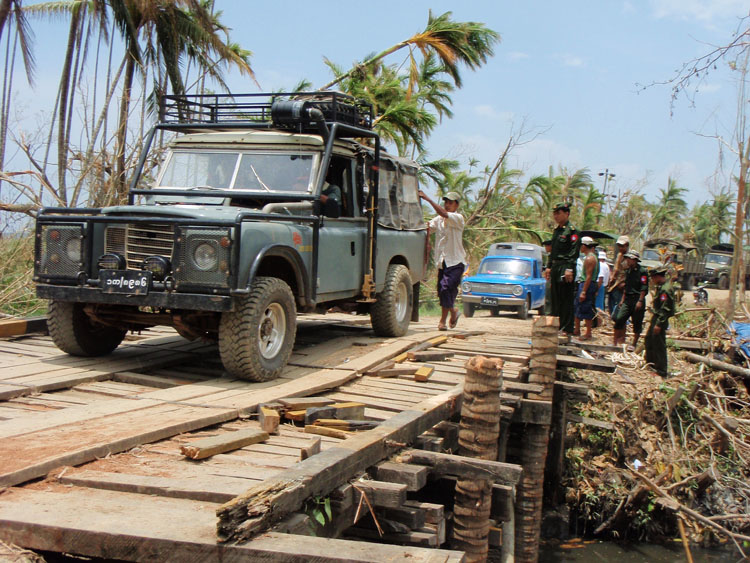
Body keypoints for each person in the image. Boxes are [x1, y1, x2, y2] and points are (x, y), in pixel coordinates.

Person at [419, 190, 466, 331]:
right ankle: (445, 320)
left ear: (456, 205)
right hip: (442, 262)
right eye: (446, 202)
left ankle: (450, 314)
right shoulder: (438, 220)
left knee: (446, 288)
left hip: (456, 262)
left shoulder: (458, 218)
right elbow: (427, 227)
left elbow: (444, 214)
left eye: (450, 203)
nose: (447, 205)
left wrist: (428, 198)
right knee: (443, 292)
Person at [547, 202, 580, 334]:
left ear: (566, 213)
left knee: (565, 298)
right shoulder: (557, 231)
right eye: (554, 213)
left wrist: (570, 268)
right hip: (555, 266)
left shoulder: (572, 231)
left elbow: (574, 251)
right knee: (555, 298)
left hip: (566, 266)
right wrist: (549, 267)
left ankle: (566, 328)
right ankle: (556, 326)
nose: (556, 216)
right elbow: (553, 251)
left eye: (558, 213)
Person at [613, 250, 648, 349]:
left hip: (637, 299)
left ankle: (634, 344)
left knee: (637, 322)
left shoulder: (642, 272)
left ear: (634, 260)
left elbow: (644, 287)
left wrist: (640, 301)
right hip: (628, 299)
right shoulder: (628, 271)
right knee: (619, 318)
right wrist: (622, 300)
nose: (627, 261)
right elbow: (627, 286)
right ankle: (615, 342)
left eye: (629, 259)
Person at [645, 266, 676, 377]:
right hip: (657, 317)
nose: (652, 280)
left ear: (657, 276)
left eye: (653, 277)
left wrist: (659, 324)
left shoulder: (665, 289)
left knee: (659, 344)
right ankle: (651, 364)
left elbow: (665, 309)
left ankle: (661, 370)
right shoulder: (661, 287)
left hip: (660, 319)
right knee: (649, 340)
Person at [574, 236, 600, 340]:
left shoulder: (590, 258)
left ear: (584, 246)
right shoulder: (590, 257)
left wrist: (584, 291)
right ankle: (577, 330)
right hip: (586, 283)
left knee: (586, 307)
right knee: (578, 306)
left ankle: (588, 332)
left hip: (587, 284)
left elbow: (589, 276)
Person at [606, 235, 630, 317]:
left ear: (627, 245)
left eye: (622, 246)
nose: (620, 248)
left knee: (620, 305)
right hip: (615, 284)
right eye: (619, 246)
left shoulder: (630, 258)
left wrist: (625, 283)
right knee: (611, 303)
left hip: (622, 285)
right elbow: (615, 269)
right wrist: (611, 280)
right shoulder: (619, 255)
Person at [542, 239, 553, 315]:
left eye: (547, 246)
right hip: (548, 279)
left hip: (551, 279)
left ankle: (549, 312)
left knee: (549, 297)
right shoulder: (550, 256)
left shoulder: (553, 256)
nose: (545, 247)